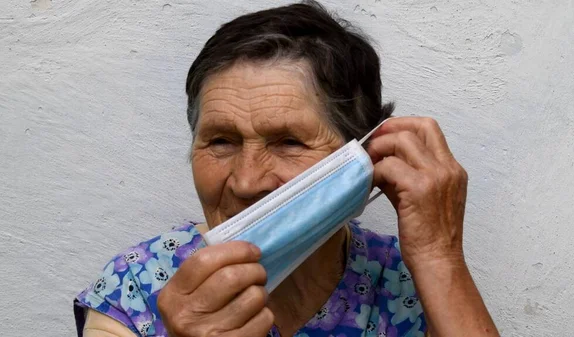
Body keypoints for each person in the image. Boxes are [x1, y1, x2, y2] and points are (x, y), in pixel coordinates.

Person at [74, 1, 500, 336]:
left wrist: (439, 256)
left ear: (360, 161)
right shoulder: (136, 288)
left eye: (289, 142)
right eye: (220, 141)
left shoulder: (408, 281)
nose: (245, 180)